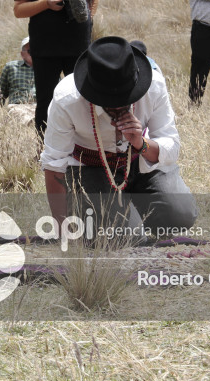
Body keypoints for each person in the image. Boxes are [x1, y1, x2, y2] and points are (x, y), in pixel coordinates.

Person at [41, 37, 197, 244]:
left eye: (126, 96)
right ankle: (118, 213)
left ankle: (130, 206)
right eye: (110, 101)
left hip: (139, 162)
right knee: (125, 238)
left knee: (180, 216)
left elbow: (171, 145)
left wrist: (140, 143)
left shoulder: (154, 85)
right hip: (91, 169)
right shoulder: (67, 98)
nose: (118, 105)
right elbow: (54, 165)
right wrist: (62, 231)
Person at [14, 0, 99, 135]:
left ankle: (80, 147)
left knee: (81, 97)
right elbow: (19, 9)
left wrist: (87, 17)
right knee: (46, 101)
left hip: (78, 48)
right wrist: (46, 3)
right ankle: (45, 149)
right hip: (46, 49)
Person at [0, 37, 36, 124]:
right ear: (22, 54)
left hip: (41, 106)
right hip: (18, 107)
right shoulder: (11, 67)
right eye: (30, 51)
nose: (34, 53)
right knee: (18, 114)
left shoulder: (49, 68)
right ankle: (33, 123)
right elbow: (0, 93)